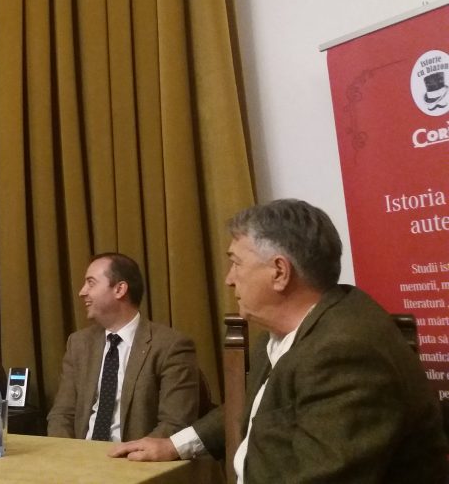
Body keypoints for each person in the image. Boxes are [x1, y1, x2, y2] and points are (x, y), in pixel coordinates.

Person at [111, 199, 449, 483]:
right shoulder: (285, 332)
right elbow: (261, 407)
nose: (229, 279)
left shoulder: (346, 351)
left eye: (236, 263)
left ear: (279, 272)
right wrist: (175, 445)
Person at [47, 252, 200, 442]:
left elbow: (175, 423)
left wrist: (129, 455)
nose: (82, 292)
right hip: (79, 455)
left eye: (91, 283)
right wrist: (67, 453)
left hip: (136, 456)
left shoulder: (170, 346)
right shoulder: (78, 343)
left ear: (119, 289)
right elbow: (62, 414)